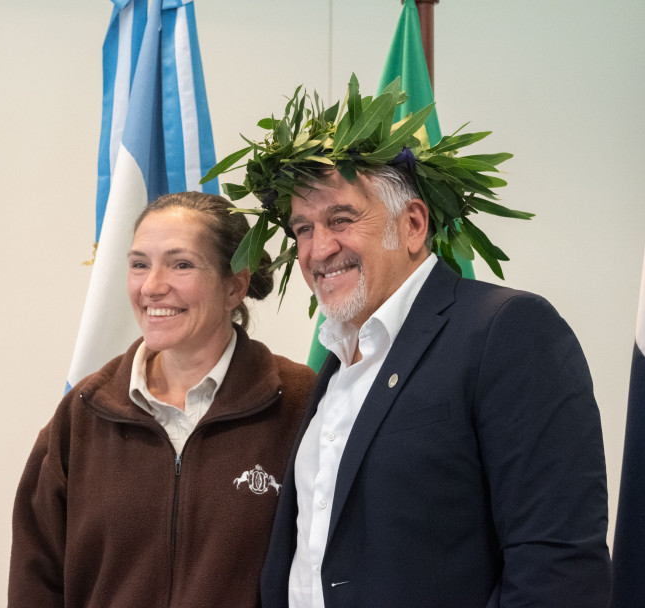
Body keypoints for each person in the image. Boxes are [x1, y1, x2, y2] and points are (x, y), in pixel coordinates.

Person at [207, 77, 611, 607]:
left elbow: (558, 568)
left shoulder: (508, 331)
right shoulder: (333, 366)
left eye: (341, 219)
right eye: (303, 229)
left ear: (413, 224)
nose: (318, 250)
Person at [7, 191, 316, 607]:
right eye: (139, 265)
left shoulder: (297, 401)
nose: (152, 287)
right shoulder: (84, 411)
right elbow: (35, 581)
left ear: (234, 286)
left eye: (181, 264)